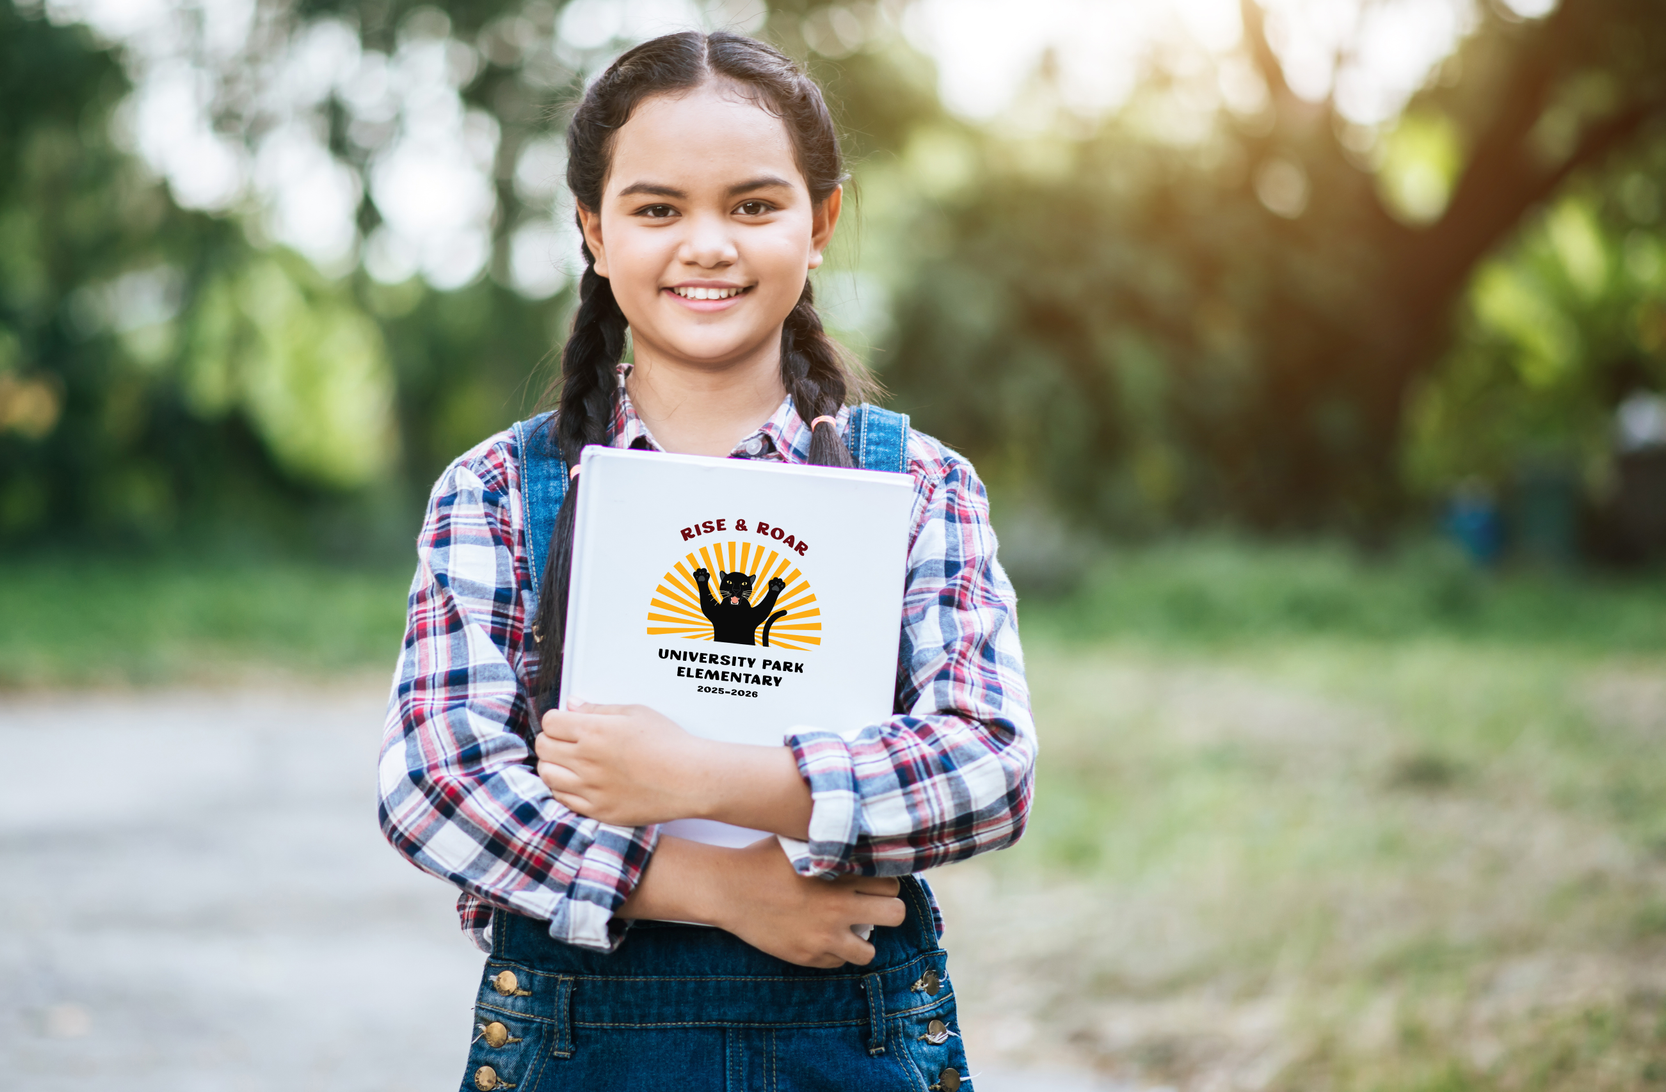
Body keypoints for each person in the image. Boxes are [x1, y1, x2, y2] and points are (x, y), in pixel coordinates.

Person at [378, 29, 1035, 1092]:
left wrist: (703, 777)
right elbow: (437, 785)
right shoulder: (497, 492)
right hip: (578, 1036)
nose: (707, 245)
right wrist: (714, 886)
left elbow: (987, 767)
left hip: (848, 1038)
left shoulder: (917, 484)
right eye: (656, 209)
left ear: (819, 223)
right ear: (593, 231)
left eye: (752, 205)